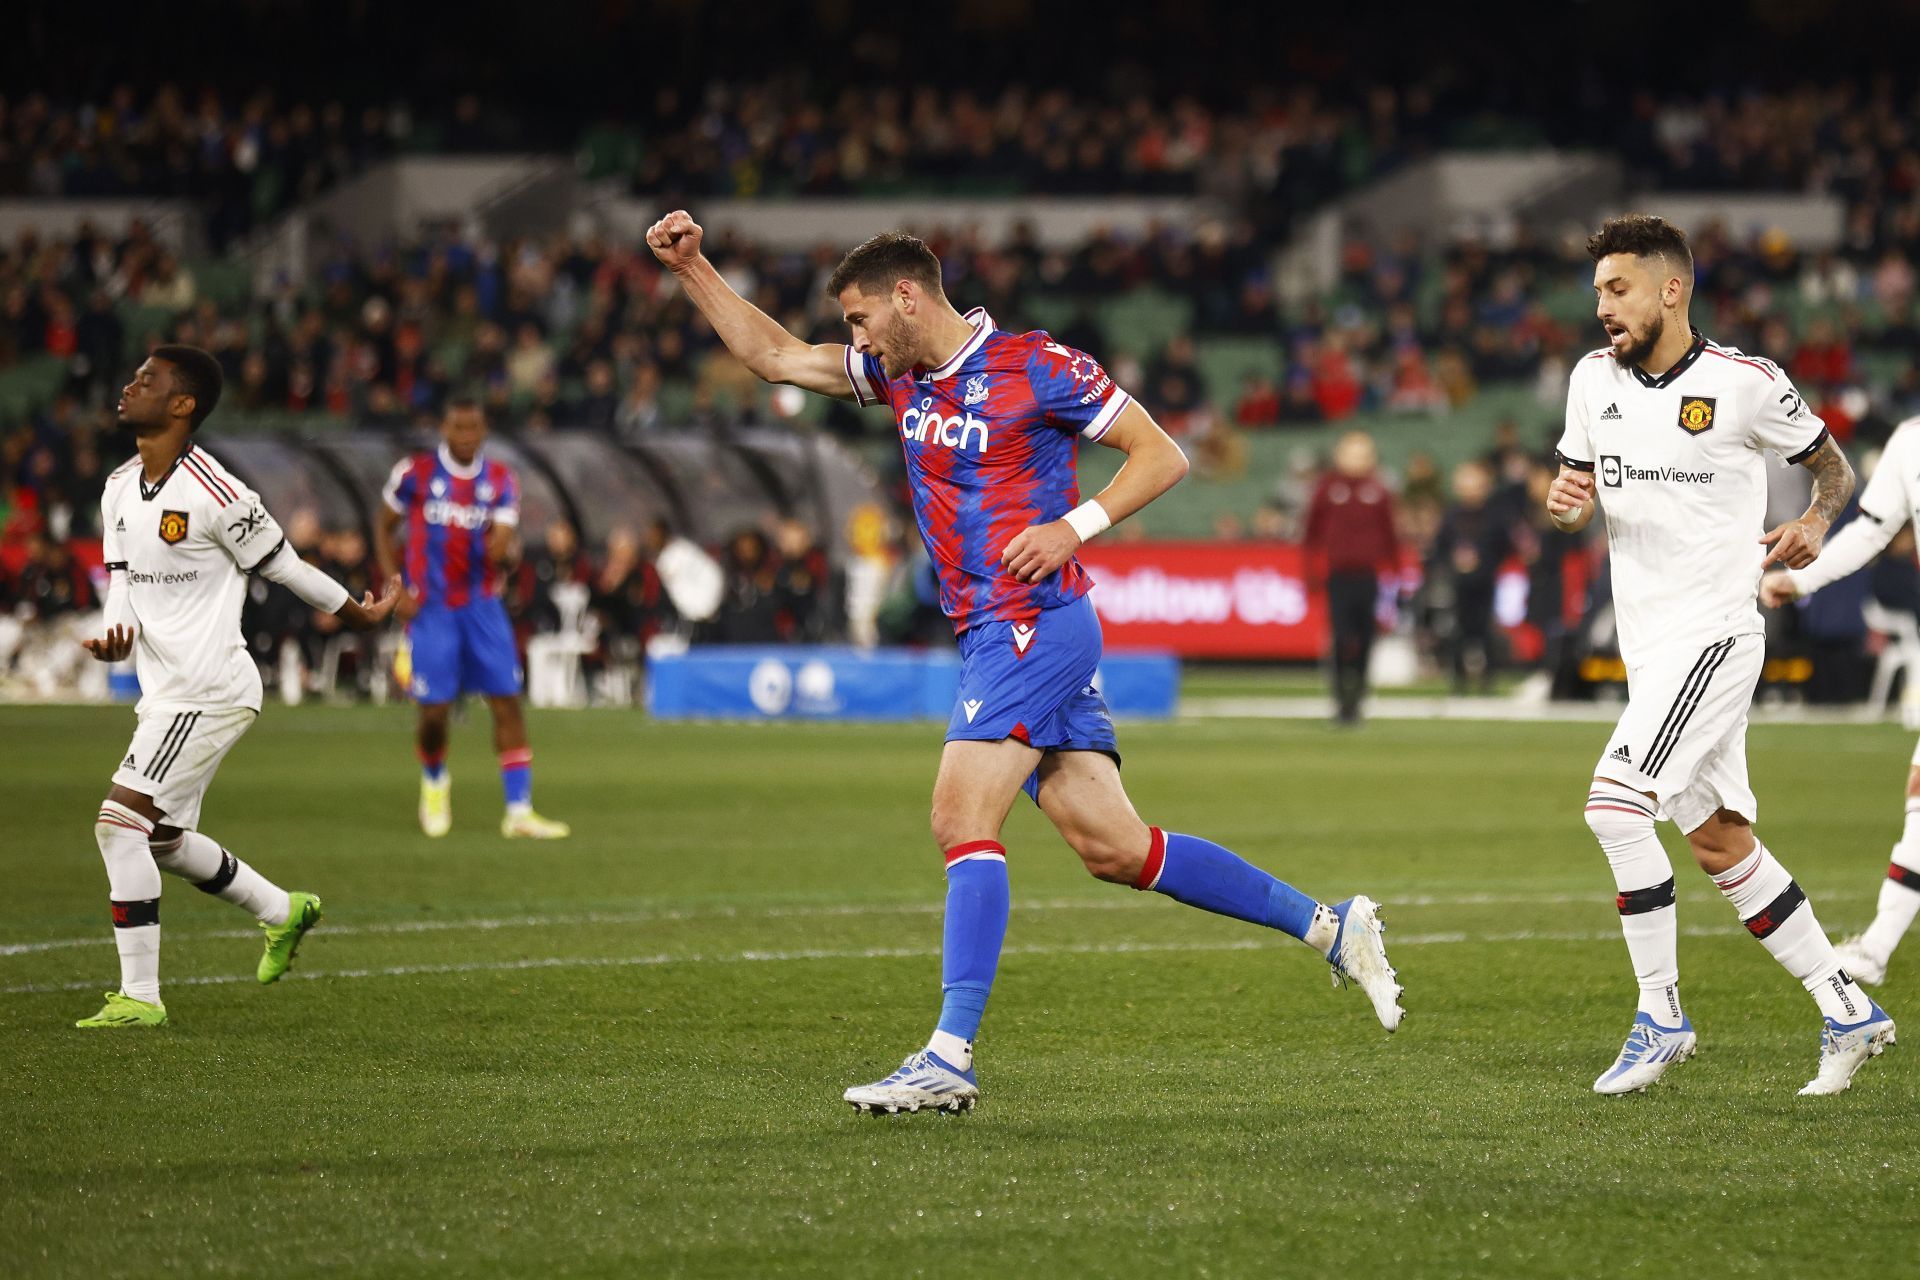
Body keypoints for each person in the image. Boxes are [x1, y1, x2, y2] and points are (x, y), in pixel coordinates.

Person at [647, 211, 1403, 1115]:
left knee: (959, 815)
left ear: (905, 297)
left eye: (856, 319)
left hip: (1033, 623)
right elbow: (773, 357)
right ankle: (1329, 926)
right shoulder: (899, 378)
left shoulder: (1035, 365)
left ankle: (948, 1055)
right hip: (992, 629)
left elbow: (1161, 454)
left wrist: (1071, 526)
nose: (852, 339)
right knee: (1116, 848)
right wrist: (693, 270)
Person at [1547, 214, 1894, 1097]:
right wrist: (1564, 504)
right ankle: (1847, 1006)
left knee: (1615, 807)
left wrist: (1815, 521)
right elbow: (1575, 492)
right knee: (1716, 841)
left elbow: (1834, 468)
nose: (1603, 309)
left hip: (1716, 635)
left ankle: (1661, 1016)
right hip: (1650, 646)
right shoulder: (1591, 380)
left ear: (1672, 289)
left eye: (1617, 289)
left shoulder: (1745, 384)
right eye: (1597, 293)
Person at [75, 345, 403, 1028]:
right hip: (165, 694)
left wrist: (357, 612)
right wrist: (116, 631)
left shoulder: (217, 492)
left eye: (147, 380)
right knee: (159, 839)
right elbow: (122, 582)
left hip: (212, 688)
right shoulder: (117, 488)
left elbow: (286, 567)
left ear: (182, 404)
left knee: (118, 825)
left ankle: (140, 997)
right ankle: (284, 911)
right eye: (132, 375)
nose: (129, 386)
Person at [1761, 415, 1920, 986]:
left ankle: (1876, 948)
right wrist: (1802, 579)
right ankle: (1876, 948)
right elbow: (1872, 530)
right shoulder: (1909, 442)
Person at [375, 399, 570, 840]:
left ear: (484, 429)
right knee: (434, 713)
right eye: (458, 426)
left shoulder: (500, 480)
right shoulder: (415, 473)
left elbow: (502, 537)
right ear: (444, 426)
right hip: (431, 607)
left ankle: (519, 811)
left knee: (507, 703)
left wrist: (503, 544)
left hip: (483, 607)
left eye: (474, 427)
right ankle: (435, 782)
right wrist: (396, 584)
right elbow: (384, 527)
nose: (466, 435)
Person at [1301, 431, 1398, 723]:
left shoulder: (1379, 490)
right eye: (1350, 453)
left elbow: (1390, 535)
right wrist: (1311, 572)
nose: (1356, 459)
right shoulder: (1327, 488)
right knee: (1341, 638)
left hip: (1369, 578)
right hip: (1338, 577)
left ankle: (1358, 696)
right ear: (1338, 456)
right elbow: (1311, 535)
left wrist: (1393, 573)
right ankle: (1340, 698)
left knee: (1367, 638)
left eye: (1362, 453)